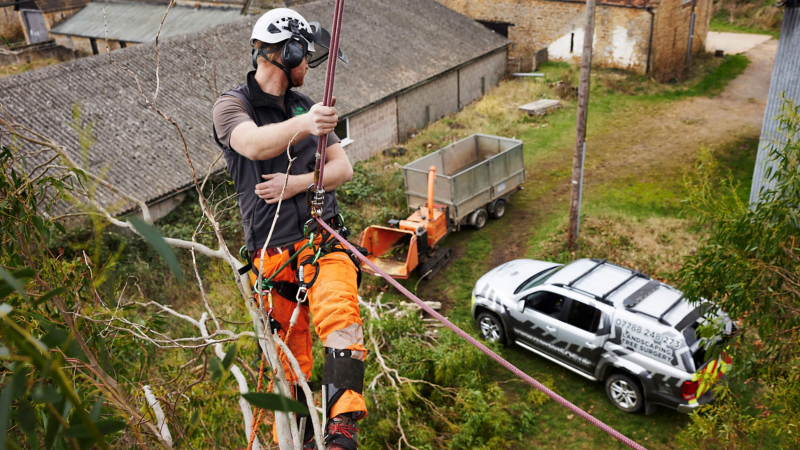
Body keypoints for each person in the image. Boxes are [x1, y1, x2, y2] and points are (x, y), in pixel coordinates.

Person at [212, 8, 364, 450]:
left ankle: (341, 428)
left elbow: (343, 168)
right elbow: (251, 143)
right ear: (287, 52)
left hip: (322, 239)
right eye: (304, 56)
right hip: (272, 251)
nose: (307, 65)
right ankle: (294, 438)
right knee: (284, 359)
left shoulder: (305, 105)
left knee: (340, 316)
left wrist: (295, 183)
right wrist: (304, 125)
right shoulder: (232, 105)